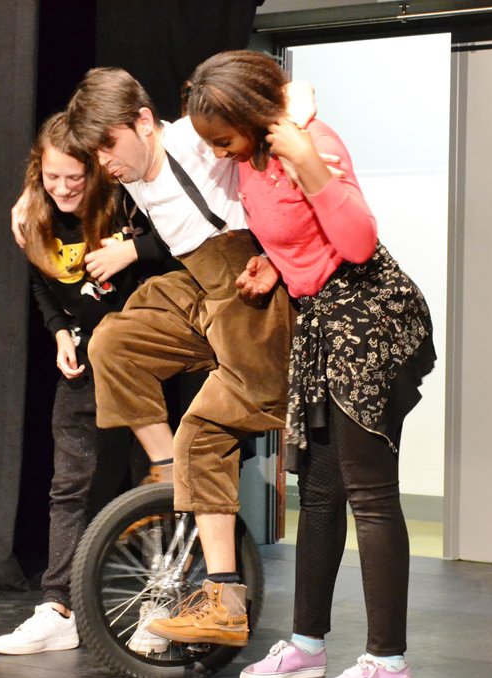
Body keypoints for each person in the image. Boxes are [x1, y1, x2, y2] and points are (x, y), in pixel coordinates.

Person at [183, 50, 437, 678]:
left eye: (223, 139)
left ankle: (389, 662)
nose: (217, 152)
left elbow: (357, 242)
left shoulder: (310, 144)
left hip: (369, 317)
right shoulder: (255, 159)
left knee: (370, 493)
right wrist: (275, 262)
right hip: (322, 319)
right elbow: (297, 228)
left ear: (250, 117)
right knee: (319, 493)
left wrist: (306, 159)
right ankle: (306, 645)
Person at [53, 67, 298, 648]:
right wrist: (27, 201)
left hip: (251, 296)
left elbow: (274, 104)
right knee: (112, 342)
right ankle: (167, 471)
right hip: (200, 287)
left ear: (144, 122)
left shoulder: (192, 138)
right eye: (96, 154)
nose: (105, 164)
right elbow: (58, 166)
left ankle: (224, 600)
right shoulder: (129, 170)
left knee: (204, 435)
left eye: (109, 147)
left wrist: (297, 100)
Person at [0, 112, 177, 656]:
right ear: (38, 171)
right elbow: (42, 278)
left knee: (153, 478)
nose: (64, 188)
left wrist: (133, 250)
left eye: (74, 177)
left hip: (142, 357)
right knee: (68, 485)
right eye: (53, 177)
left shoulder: (125, 200)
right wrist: (58, 332)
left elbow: (189, 237)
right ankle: (59, 607)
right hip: (86, 359)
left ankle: (162, 602)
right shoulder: (35, 214)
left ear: (93, 171)